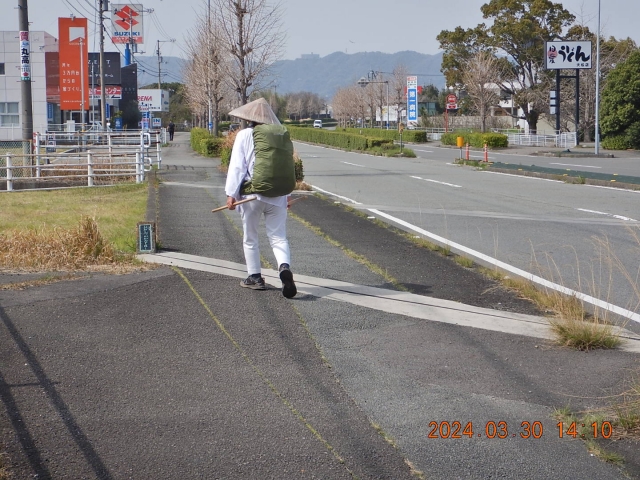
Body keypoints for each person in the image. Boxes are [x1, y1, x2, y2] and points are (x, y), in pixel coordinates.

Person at [224, 98, 297, 298]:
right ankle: (284, 267)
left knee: (251, 237)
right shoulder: (279, 136)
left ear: (250, 119)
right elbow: (285, 167)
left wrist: (231, 193)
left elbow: (237, 166)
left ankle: (255, 277)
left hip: (252, 196)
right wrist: (287, 195)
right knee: (278, 236)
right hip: (279, 195)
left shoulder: (245, 134)